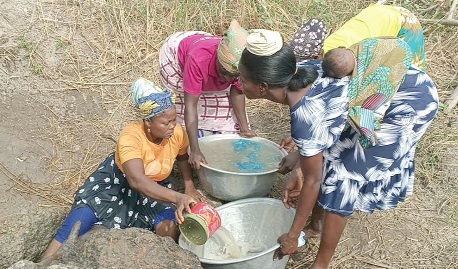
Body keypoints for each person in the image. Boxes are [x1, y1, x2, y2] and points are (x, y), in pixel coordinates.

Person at [238, 30, 439, 268]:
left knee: (343, 177)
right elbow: (326, 119)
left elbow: (313, 180)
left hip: (408, 102)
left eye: (242, 79)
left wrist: (292, 236)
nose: (239, 83)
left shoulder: (304, 116)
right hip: (384, 89)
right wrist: (300, 155)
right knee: (332, 160)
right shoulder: (298, 72)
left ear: (262, 87)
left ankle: (321, 263)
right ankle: (316, 225)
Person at [41, 78, 202, 260]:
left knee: (168, 227)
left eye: (174, 120)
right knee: (77, 223)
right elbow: (136, 180)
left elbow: (182, 156)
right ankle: (42, 263)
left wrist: (189, 186)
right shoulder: (131, 137)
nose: (172, 126)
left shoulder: (176, 133)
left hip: (153, 188)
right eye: (166, 123)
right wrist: (177, 197)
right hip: (116, 185)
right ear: (148, 122)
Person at [159, 19, 256, 170]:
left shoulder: (238, 65)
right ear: (217, 59)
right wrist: (195, 150)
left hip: (203, 46)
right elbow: (190, 106)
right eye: (225, 73)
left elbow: (237, 91)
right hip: (178, 56)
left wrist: (244, 127)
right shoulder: (198, 60)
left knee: (229, 121)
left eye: (234, 76)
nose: (229, 80)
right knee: (183, 121)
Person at [323, 3, 426, 71]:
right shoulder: (325, 54)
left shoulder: (348, 59)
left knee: (408, 74)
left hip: (403, 22)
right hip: (376, 17)